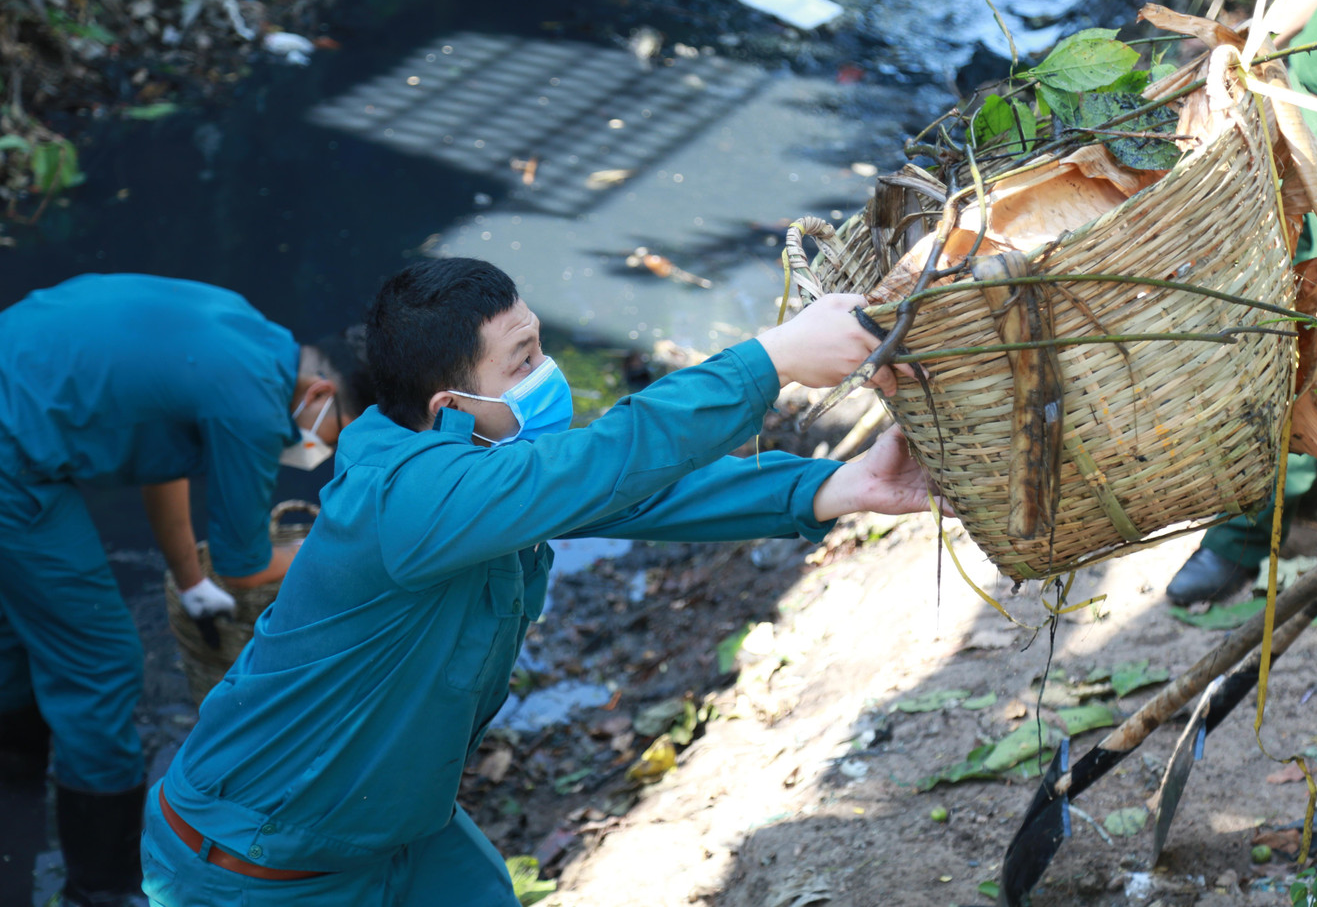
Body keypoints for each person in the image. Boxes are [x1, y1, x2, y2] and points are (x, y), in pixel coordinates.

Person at [138, 256, 940, 906]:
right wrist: (768, 362)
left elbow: (625, 488)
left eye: (538, 345)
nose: (546, 370)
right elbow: (605, 460)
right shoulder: (407, 499)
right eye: (522, 360)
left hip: (392, 822)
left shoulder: (471, 454)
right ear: (451, 401)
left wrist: (829, 489)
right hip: (250, 864)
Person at [0, 272, 376, 907]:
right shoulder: (254, 408)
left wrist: (189, 577)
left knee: (18, 636)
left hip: (18, 380)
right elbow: (245, 566)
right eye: (338, 432)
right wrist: (343, 545)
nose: (324, 449)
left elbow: (165, 463)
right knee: (102, 662)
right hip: (13, 451)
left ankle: (14, 804)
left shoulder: (251, 332)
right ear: (322, 394)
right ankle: (102, 889)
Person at [1166, 0, 1317, 605]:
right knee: (1264, 312)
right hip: (1299, 110)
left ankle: (1242, 540)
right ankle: (1286, 492)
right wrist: (1259, 41)